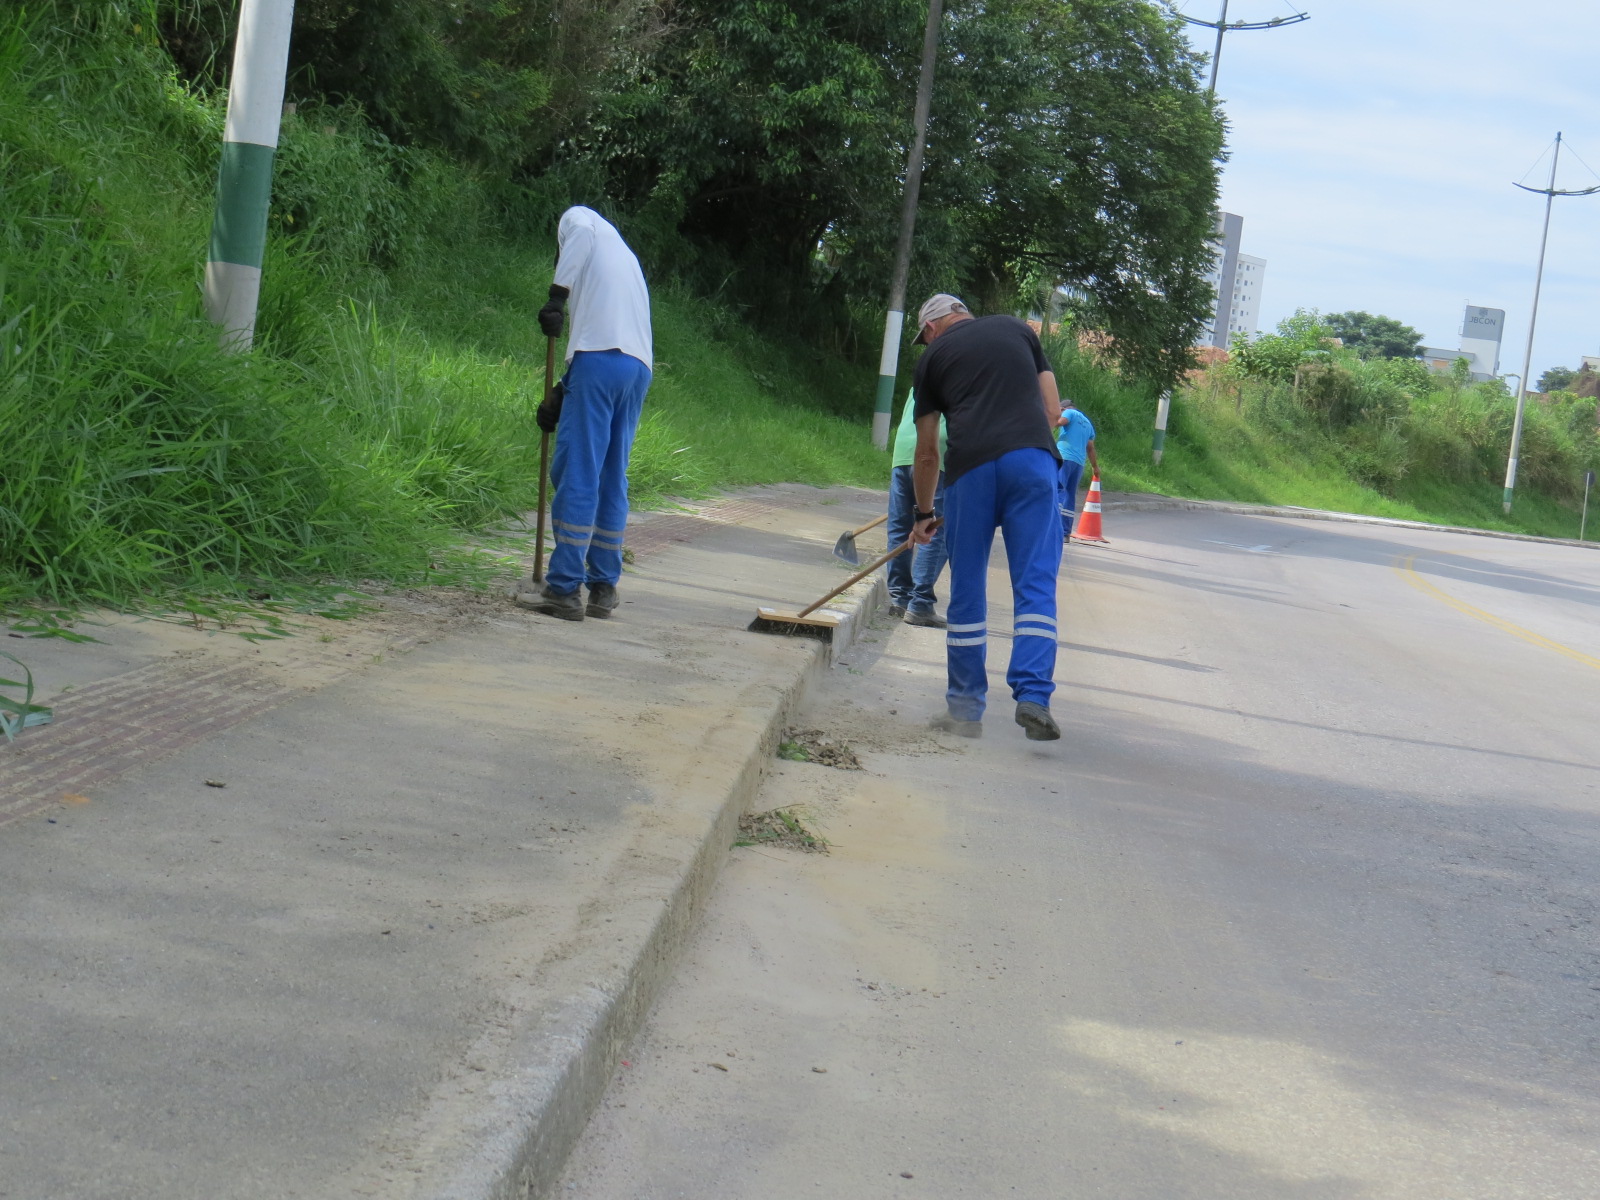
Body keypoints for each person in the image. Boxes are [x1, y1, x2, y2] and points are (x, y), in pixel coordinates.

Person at [909, 293, 1063, 741]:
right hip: (1032, 462)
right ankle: (1034, 695)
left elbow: (926, 451)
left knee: (968, 588)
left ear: (932, 327)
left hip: (970, 472)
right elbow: (1053, 411)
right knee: (1035, 583)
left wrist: (924, 513)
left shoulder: (932, 358)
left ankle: (964, 709)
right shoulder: (1018, 330)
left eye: (924, 336)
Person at [513, 206, 653, 621]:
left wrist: (557, 297)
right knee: (612, 473)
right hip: (636, 369)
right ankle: (604, 586)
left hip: (598, 362)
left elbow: (578, 239)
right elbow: (611, 331)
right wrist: (563, 390)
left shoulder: (580, 220)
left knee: (578, 469)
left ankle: (564, 588)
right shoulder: (626, 257)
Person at [885, 391, 949, 626]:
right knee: (935, 529)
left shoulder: (925, 374)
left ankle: (900, 598)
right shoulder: (960, 373)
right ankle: (920, 602)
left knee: (899, 526)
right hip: (937, 451)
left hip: (904, 450)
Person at [1054, 401, 1099, 539]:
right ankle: (1065, 532)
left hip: (1064, 457)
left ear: (1063, 408)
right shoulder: (1088, 424)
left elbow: (1062, 421)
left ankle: (1052, 527)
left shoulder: (1069, 412)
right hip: (1079, 463)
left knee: (1058, 489)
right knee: (1070, 495)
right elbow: (1090, 448)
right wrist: (1095, 466)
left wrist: (1049, 421)